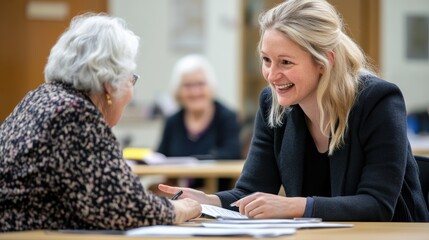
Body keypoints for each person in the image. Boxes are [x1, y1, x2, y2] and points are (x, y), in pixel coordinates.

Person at [159, 0, 429, 222]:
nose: (272, 75)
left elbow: (377, 206)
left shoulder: (378, 100)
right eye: (266, 60)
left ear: (324, 61)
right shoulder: (272, 103)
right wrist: (209, 201)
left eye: (285, 62)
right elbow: (251, 191)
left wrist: (294, 206)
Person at [0, 13, 200, 232]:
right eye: (130, 78)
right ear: (109, 84)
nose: (131, 92)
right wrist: (180, 209)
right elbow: (123, 207)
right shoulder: (74, 114)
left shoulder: (40, 97)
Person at [156, 54, 242, 190]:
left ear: (211, 86)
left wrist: (191, 161)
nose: (195, 92)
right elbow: (160, 156)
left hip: (217, 193)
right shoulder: (172, 121)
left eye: (200, 84)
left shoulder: (227, 117)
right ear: (178, 90)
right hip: (178, 193)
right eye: (188, 86)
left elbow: (232, 154)